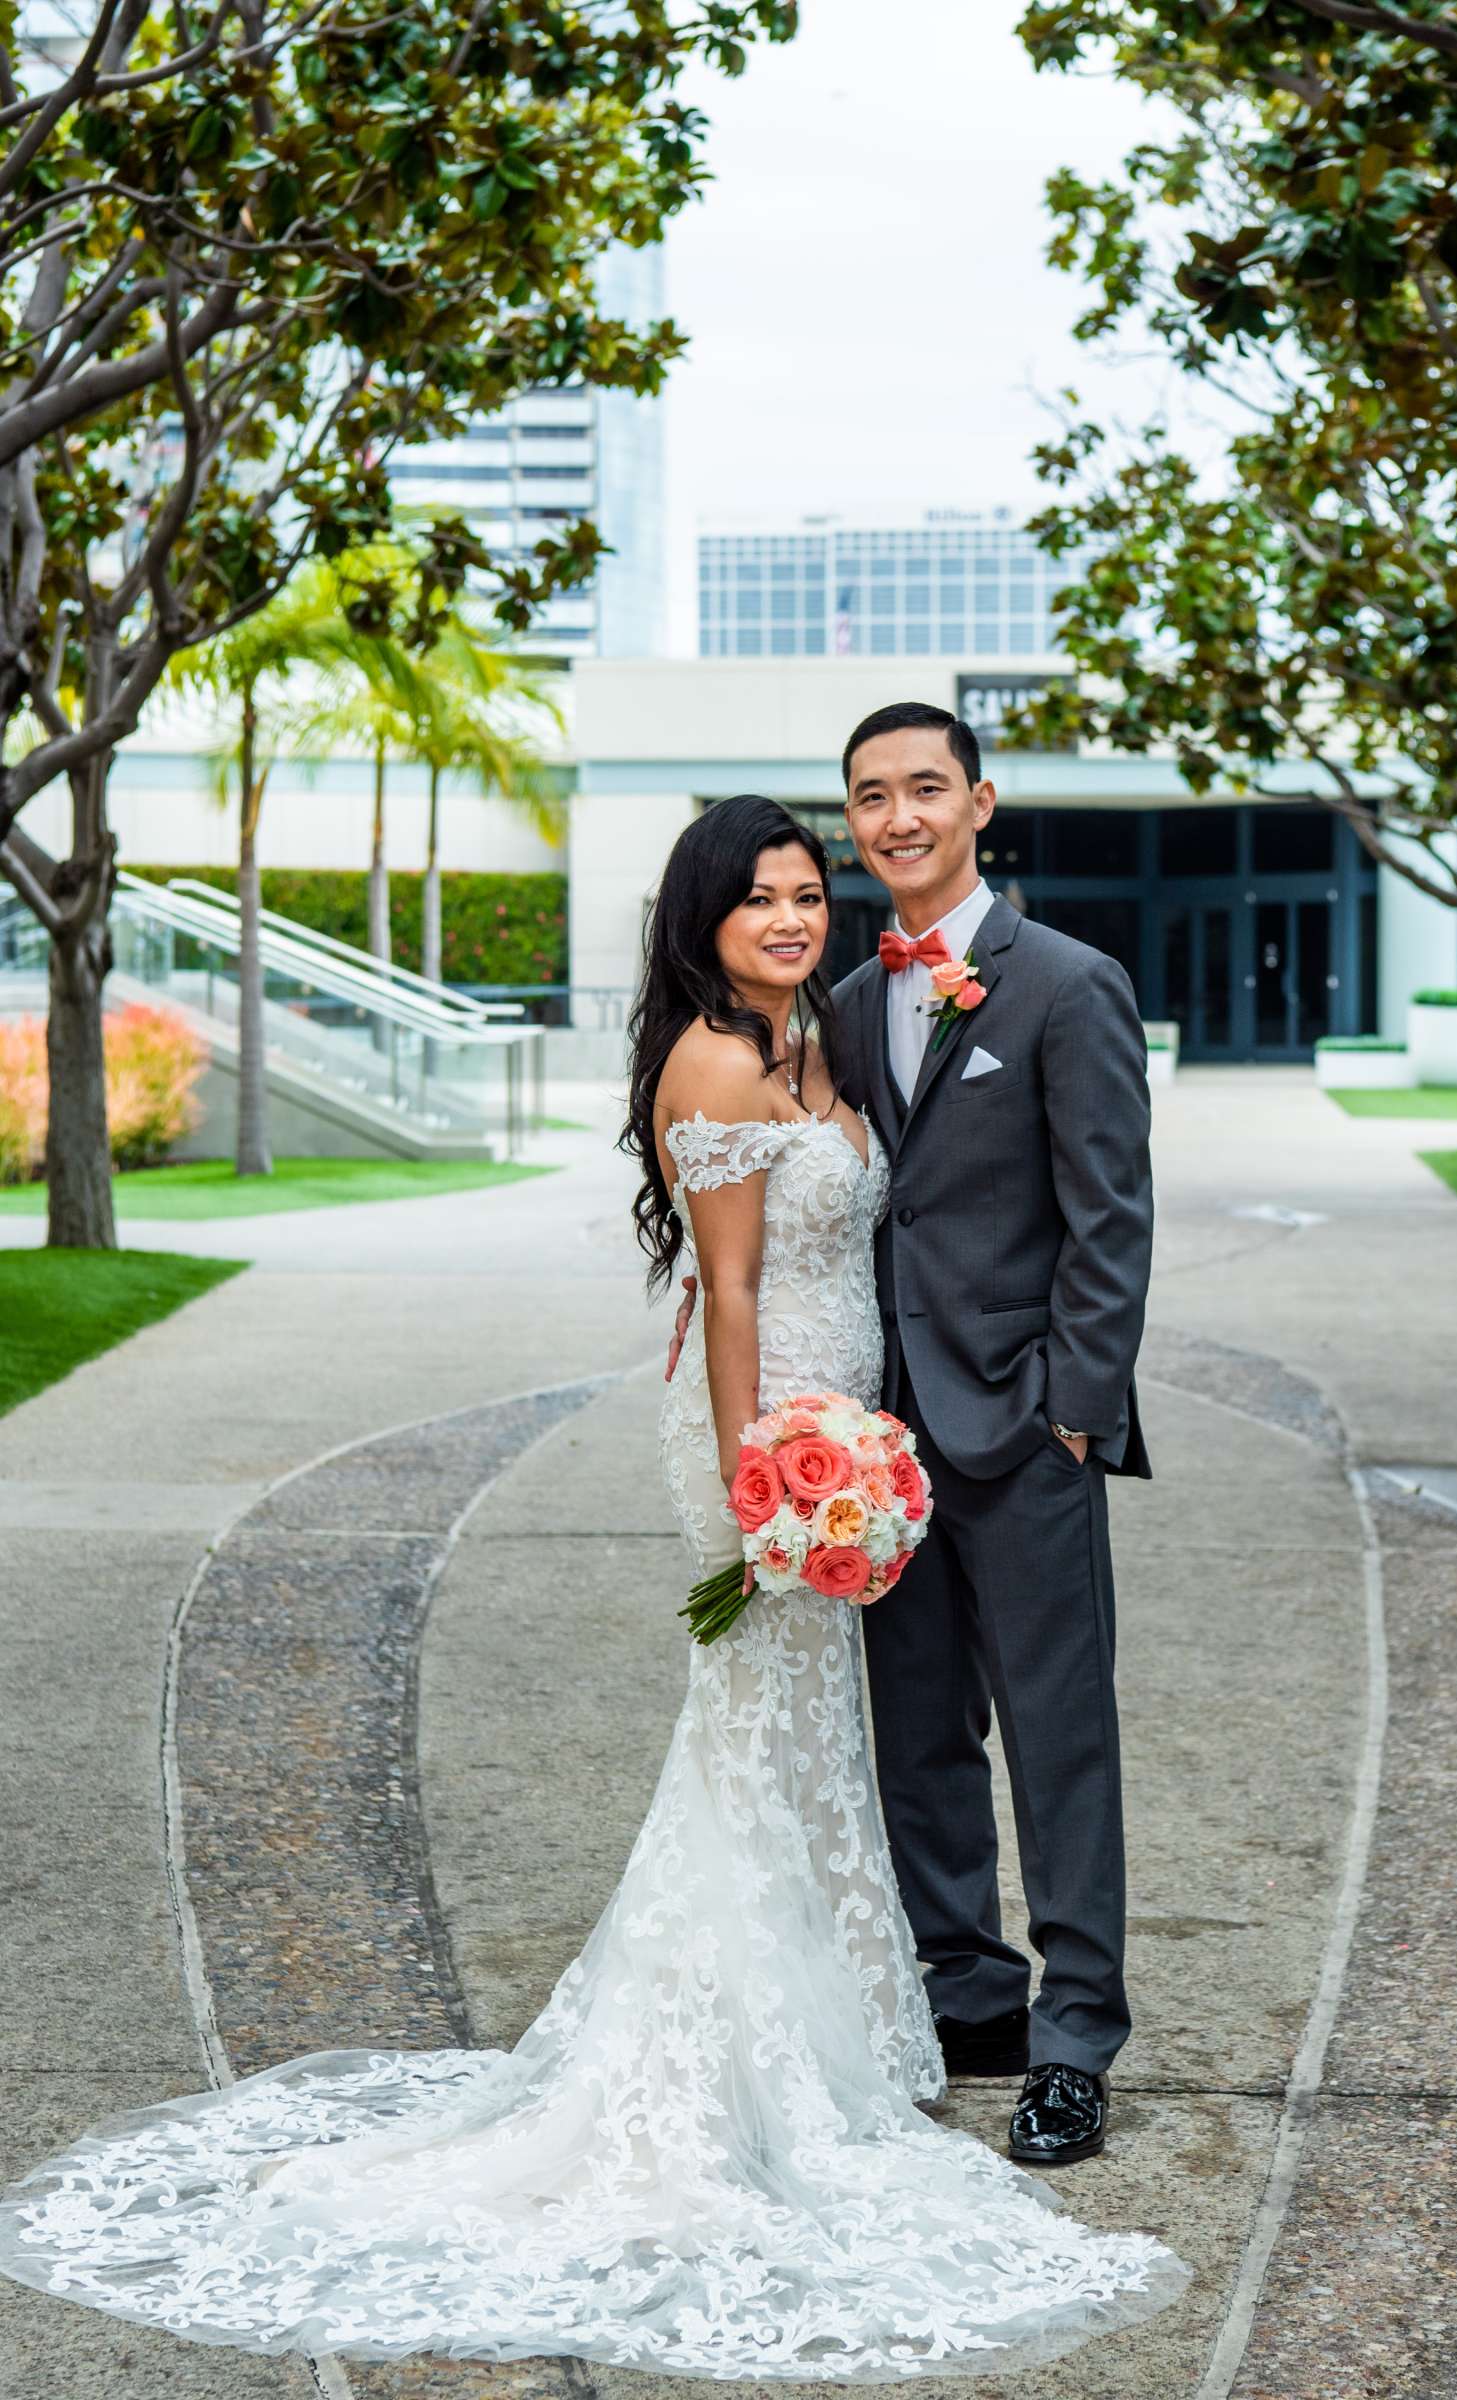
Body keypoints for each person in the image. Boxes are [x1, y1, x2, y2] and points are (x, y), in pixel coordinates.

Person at [0, 794, 1183, 2379]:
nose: (790, 915)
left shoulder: (834, 1027)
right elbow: (738, 1280)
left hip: (894, 1428)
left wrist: (1050, 1409)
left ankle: (954, 2023)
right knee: (773, 1729)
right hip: (775, 1444)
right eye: (757, 895)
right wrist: (765, 1477)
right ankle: (780, 2043)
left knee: (884, 1733)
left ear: (966, 810)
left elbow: (1078, 1208)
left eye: (801, 892)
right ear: (699, 918)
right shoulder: (721, 1054)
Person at [670, 705, 1154, 2170]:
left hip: (1021, 1433)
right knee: (919, 1742)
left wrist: (1072, 1415)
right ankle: (969, 1990)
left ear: (980, 804)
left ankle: (1076, 2039)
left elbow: (1111, 1226)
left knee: (1061, 1744)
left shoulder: (1070, 986)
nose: (896, 819)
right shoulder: (834, 1009)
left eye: (924, 790)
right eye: (869, 797)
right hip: (876, 1447)